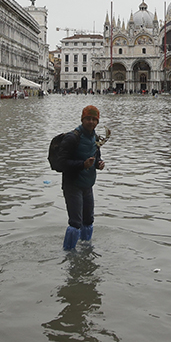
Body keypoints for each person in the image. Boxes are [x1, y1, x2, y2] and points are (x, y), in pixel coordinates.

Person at [59, 105, 105, 250]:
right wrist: (82, 165)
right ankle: (68, 254)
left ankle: (86, 250)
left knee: (88, 220)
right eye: (88, 119)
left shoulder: (96, 139)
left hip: (87, 185)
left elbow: (96, 157)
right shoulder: (72, 138)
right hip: (72, 184)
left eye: (94, 119)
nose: (91, 122)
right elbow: (61, 163)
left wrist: (98, 164)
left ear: (97, 122)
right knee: (75, 222)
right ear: (82, 119)